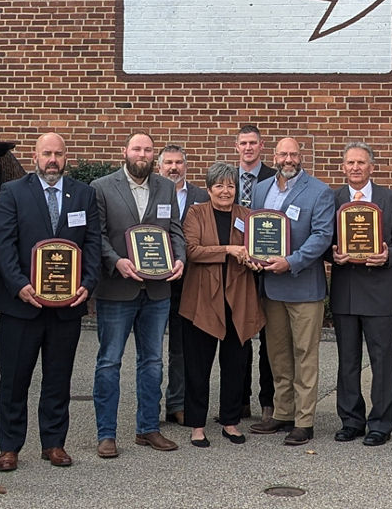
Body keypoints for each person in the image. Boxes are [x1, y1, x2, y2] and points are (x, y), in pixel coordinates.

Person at [0, 132, 101, 472]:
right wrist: (19, 285)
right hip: (22, 306)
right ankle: (10, 447)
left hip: (66, 307)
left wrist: (87, 283)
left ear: (66, 157)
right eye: (46, 153)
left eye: (58, 153)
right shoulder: (14, 192)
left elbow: (93, 244)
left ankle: (53, 443)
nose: (52, 159)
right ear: (35, 156)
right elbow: (4, 244)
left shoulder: (83, 194)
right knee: (14, 379)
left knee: (58, 377)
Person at [90, 132, 185, 458]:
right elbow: (97, 235)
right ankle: (106, 434)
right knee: (109, 362)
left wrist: (180, 258)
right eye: (136, 148)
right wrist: (117, 261)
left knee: (153, 362)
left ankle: (148, 428)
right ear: (125, 151)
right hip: (117, 288)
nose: (142, 154)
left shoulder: (165, 187)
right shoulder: (102, 187)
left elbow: (174, 230)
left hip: (157, 290)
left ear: (153, 154)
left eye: (147, 149)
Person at [248, 136, 335, 445]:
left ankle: (305, 420)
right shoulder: (261, 189)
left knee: (305, 355)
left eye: (293, 154)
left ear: (301, 157)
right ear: (275, 156)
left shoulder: (319, 191)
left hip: (302, 286)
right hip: (271, 287)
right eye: (283, 154)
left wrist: (291, 261)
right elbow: (254, 229)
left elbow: (322, 235)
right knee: (278, 354)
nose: (288, 159)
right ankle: (282, 413)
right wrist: (253, 257)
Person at [329, 141, 392, 446]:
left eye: (361, 163)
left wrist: (389, 255)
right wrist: (331, 254)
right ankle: (351, 421)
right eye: (350, 163)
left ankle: (381, 423)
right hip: (346, 290)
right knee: (347, 360)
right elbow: (324, 238)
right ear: (343, 167)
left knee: (382, 361)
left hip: (380, 290)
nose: (355, 168)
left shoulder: (391, 199)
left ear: (371, 167)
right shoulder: (333, 198)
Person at [179, 162, 263, 447]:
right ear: (209, 188)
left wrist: (256, 259)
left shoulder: (246, 215)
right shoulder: (195, 213)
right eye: (219, 186)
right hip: (202, 300)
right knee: (197, 366)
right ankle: (197, 425)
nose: (226, 191)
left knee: (235, 364)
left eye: (230, 186)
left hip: (238, 299)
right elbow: (192, 251)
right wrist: (228, 250)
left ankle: (230, 421)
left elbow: (257, 250)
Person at [158, 144, 207, 425]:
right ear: (160, 167)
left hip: (190, 283)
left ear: (186, 166)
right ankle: (150, 406)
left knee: (181, 348)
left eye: (178, 163)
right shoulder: (151, 193)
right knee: (151, 350)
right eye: (168, 163)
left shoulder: (201, 196)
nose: (173, 168)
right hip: (155, 282)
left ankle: (177, 403)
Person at [235, 125, 275, 421]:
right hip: (237, 269)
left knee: (269, 338)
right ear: (236, 147)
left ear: (262, 146)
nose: (248, 148)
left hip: (269, 269)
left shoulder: (274, 180)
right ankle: (240, 399)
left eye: (253, 143)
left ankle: (268, 400)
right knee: (241, 336)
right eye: (243, 143)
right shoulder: (226, 179)